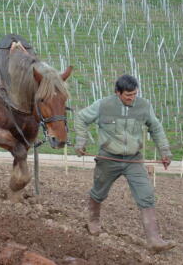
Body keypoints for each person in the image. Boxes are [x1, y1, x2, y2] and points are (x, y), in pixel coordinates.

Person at [74, 74, 175, 253]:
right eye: (128, 95)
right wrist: (81, 141)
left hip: (133, 159)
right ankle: (93, 221)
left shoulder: (144, 106)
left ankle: (154, 239)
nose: (132, 98)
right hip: (108, 158)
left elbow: (156, 128)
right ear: (117, 93)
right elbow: (81, 118)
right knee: (98, 192)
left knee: (146, 194)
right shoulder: (103, 105)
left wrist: (165, 151)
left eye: (134, 94)